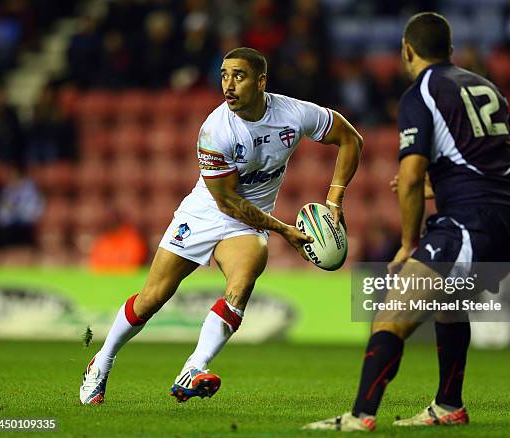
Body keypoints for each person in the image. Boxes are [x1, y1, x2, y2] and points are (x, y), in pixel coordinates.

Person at [79, 47, 363, 405]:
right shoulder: (215, 131)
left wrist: (334, 199)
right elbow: (227, 202)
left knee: (242, 283)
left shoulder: (294, 113)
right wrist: (285, 230)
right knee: (152, 298)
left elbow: (351, 138)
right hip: (204, 214)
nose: (228, 85)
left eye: (238, 76)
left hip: (246, 226)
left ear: (261, 82)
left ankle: (194, 368)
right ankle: (101, 362)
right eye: (224, 75)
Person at [304, 12, 510, 431]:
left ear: (407, 51)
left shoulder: (420, 93)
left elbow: (408, 176)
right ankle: (448, 405)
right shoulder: (487, 88)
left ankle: (360, 416)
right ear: (449, 50)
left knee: (391, 314)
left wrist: (409, 243)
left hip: (469, 224)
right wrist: (443, 186)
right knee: (448, 306)